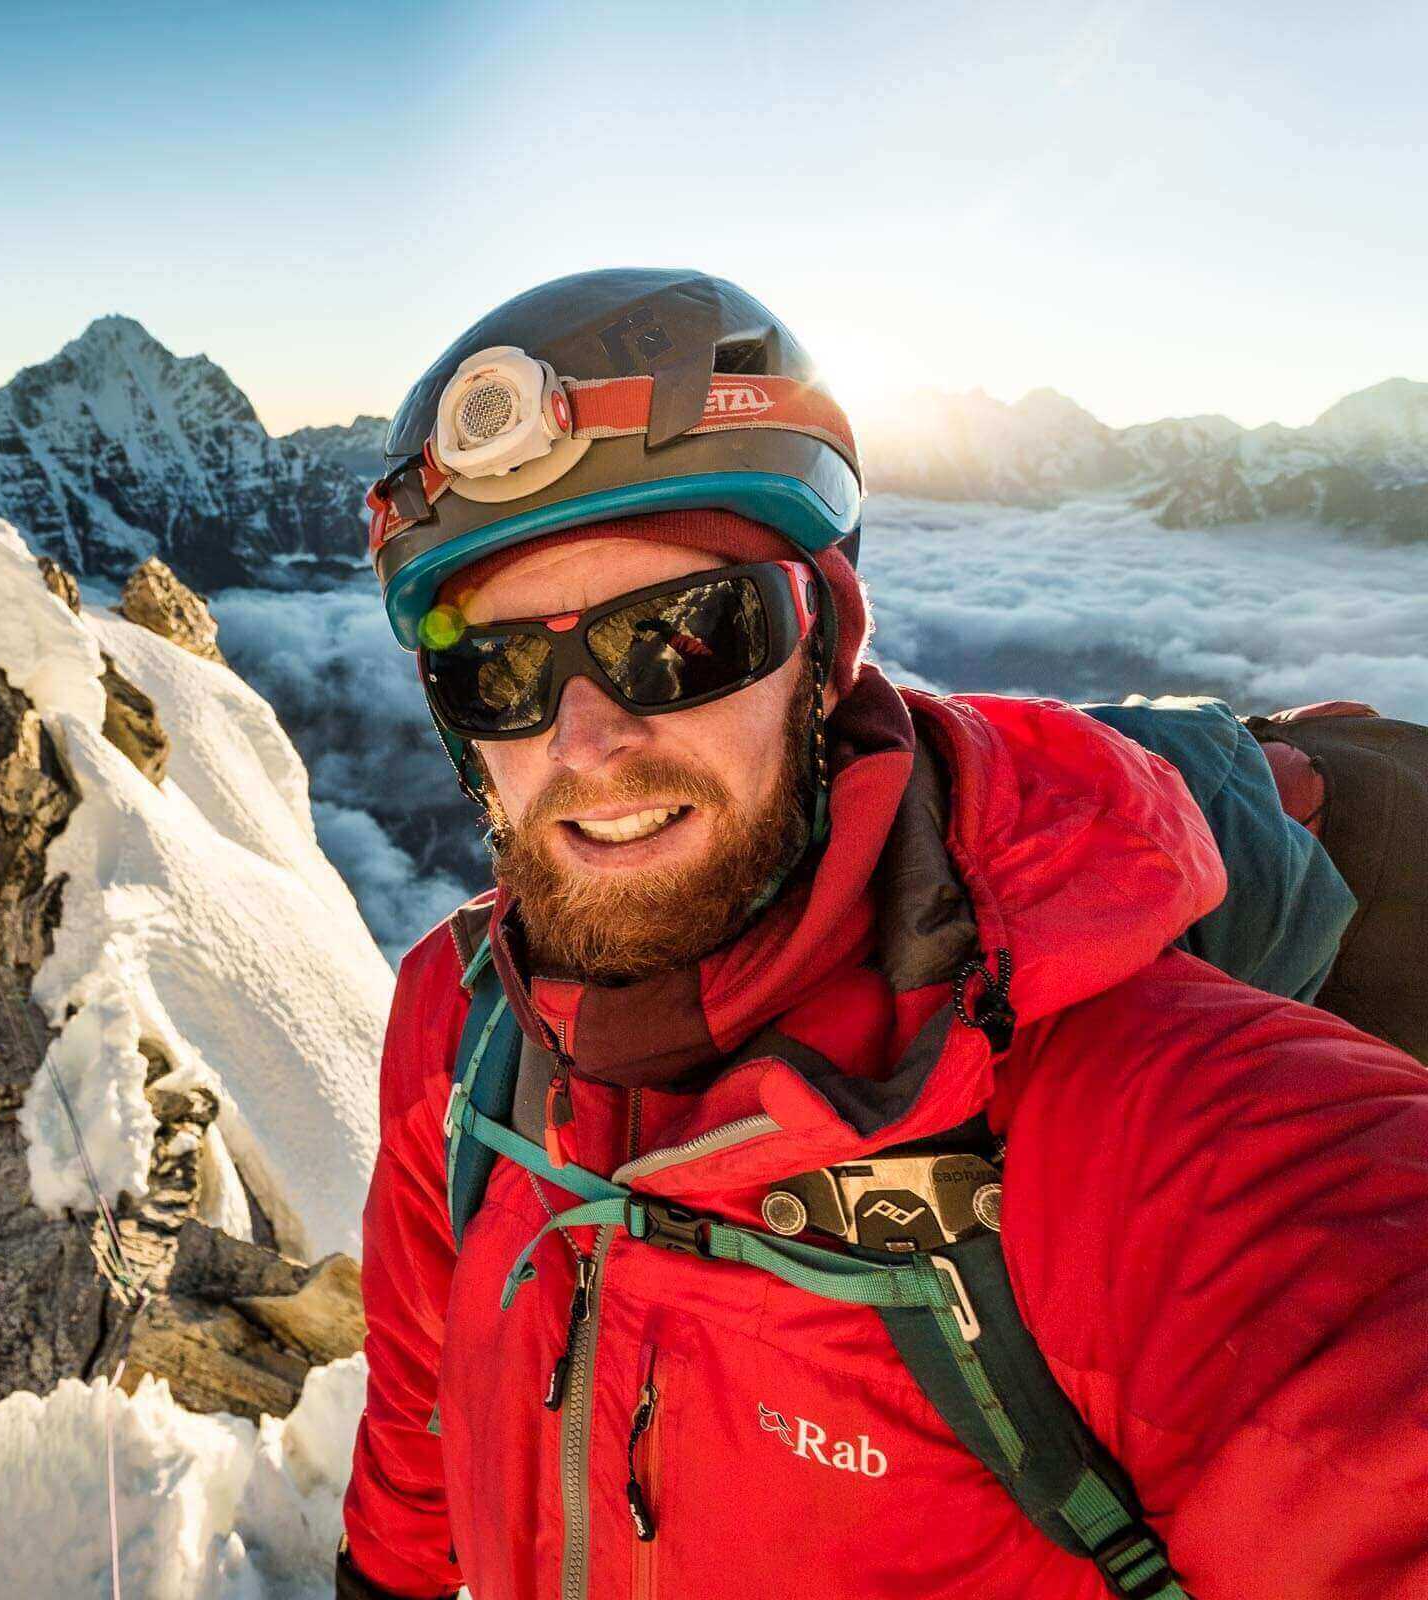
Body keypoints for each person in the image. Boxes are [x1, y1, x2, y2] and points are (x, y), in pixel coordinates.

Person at [337, 270, 1428, 1599]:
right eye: (496, 672)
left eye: (683, 639)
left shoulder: (1150, 1125)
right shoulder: (460, 1032)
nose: (591, 741)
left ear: (824, 644)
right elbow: (420, 1416)